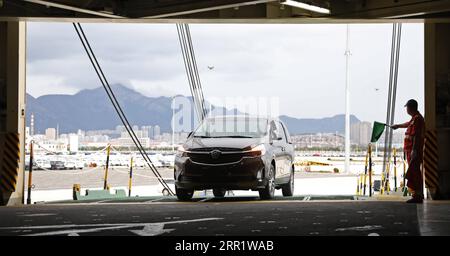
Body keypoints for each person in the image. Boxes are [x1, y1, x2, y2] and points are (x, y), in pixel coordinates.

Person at [392, 99, 425, 203]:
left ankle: (418, 195)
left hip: (413, 151)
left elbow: (416, 136)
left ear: (411, 108)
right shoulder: (414, 119)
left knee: (414, 173)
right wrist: (398, 126)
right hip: (410, 150)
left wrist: (414, 150)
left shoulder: (418, 119)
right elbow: (407, 124)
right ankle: (417, 194)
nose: (406, 109)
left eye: (407, 107)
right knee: (413, 172)